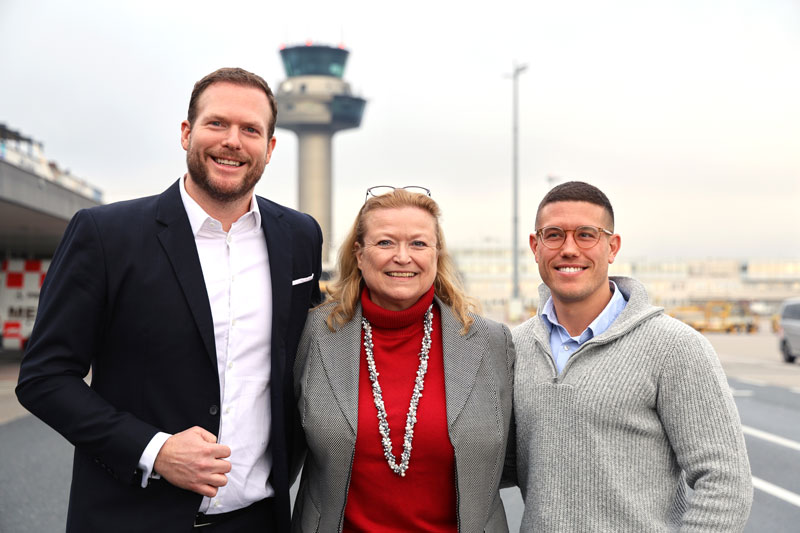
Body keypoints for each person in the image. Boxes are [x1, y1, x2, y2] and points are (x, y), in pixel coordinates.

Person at [15, 67, 323, 532]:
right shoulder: (105, 236)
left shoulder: (300, 237)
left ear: (270, 147)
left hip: (259, 521)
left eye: (250, 130)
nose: (232, 141)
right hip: (132, 519)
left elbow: (313, 355)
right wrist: (154, 450)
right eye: (217, 123)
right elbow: (44, 378)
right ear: (186, 133)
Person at [509, 181, 753, 531]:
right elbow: (490, 467)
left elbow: (726, 482)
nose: (569, 249)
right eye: (553, 235)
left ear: (612, 247)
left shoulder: (674, 346)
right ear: (535, 247)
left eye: (586, 235)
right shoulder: (514, 347)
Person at [292, 186, 515, 532]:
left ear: (437, 254)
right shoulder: (312, 335)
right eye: (385, 243)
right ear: (360, 254)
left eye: (418, 243)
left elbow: (512, 458)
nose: (402, 256)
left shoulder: (491, 343)